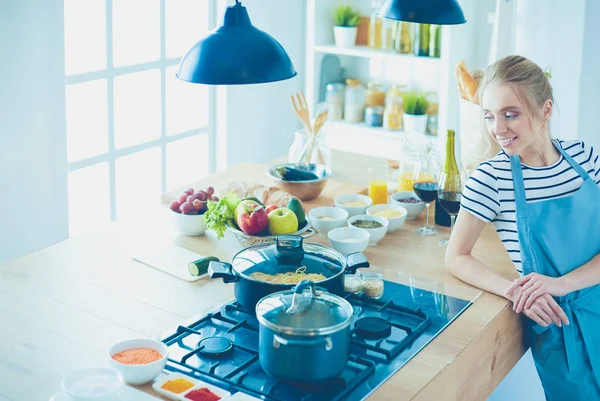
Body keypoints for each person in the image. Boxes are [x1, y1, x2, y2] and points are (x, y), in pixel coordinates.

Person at [445, 55, 600, 400]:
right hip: (560, 330)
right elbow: (456, 256)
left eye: (510, 114)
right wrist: (513, 290)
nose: (498, 129)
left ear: (545, 110)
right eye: (489, 116)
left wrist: (561, 283)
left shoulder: (585, 158)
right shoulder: (492, 178)